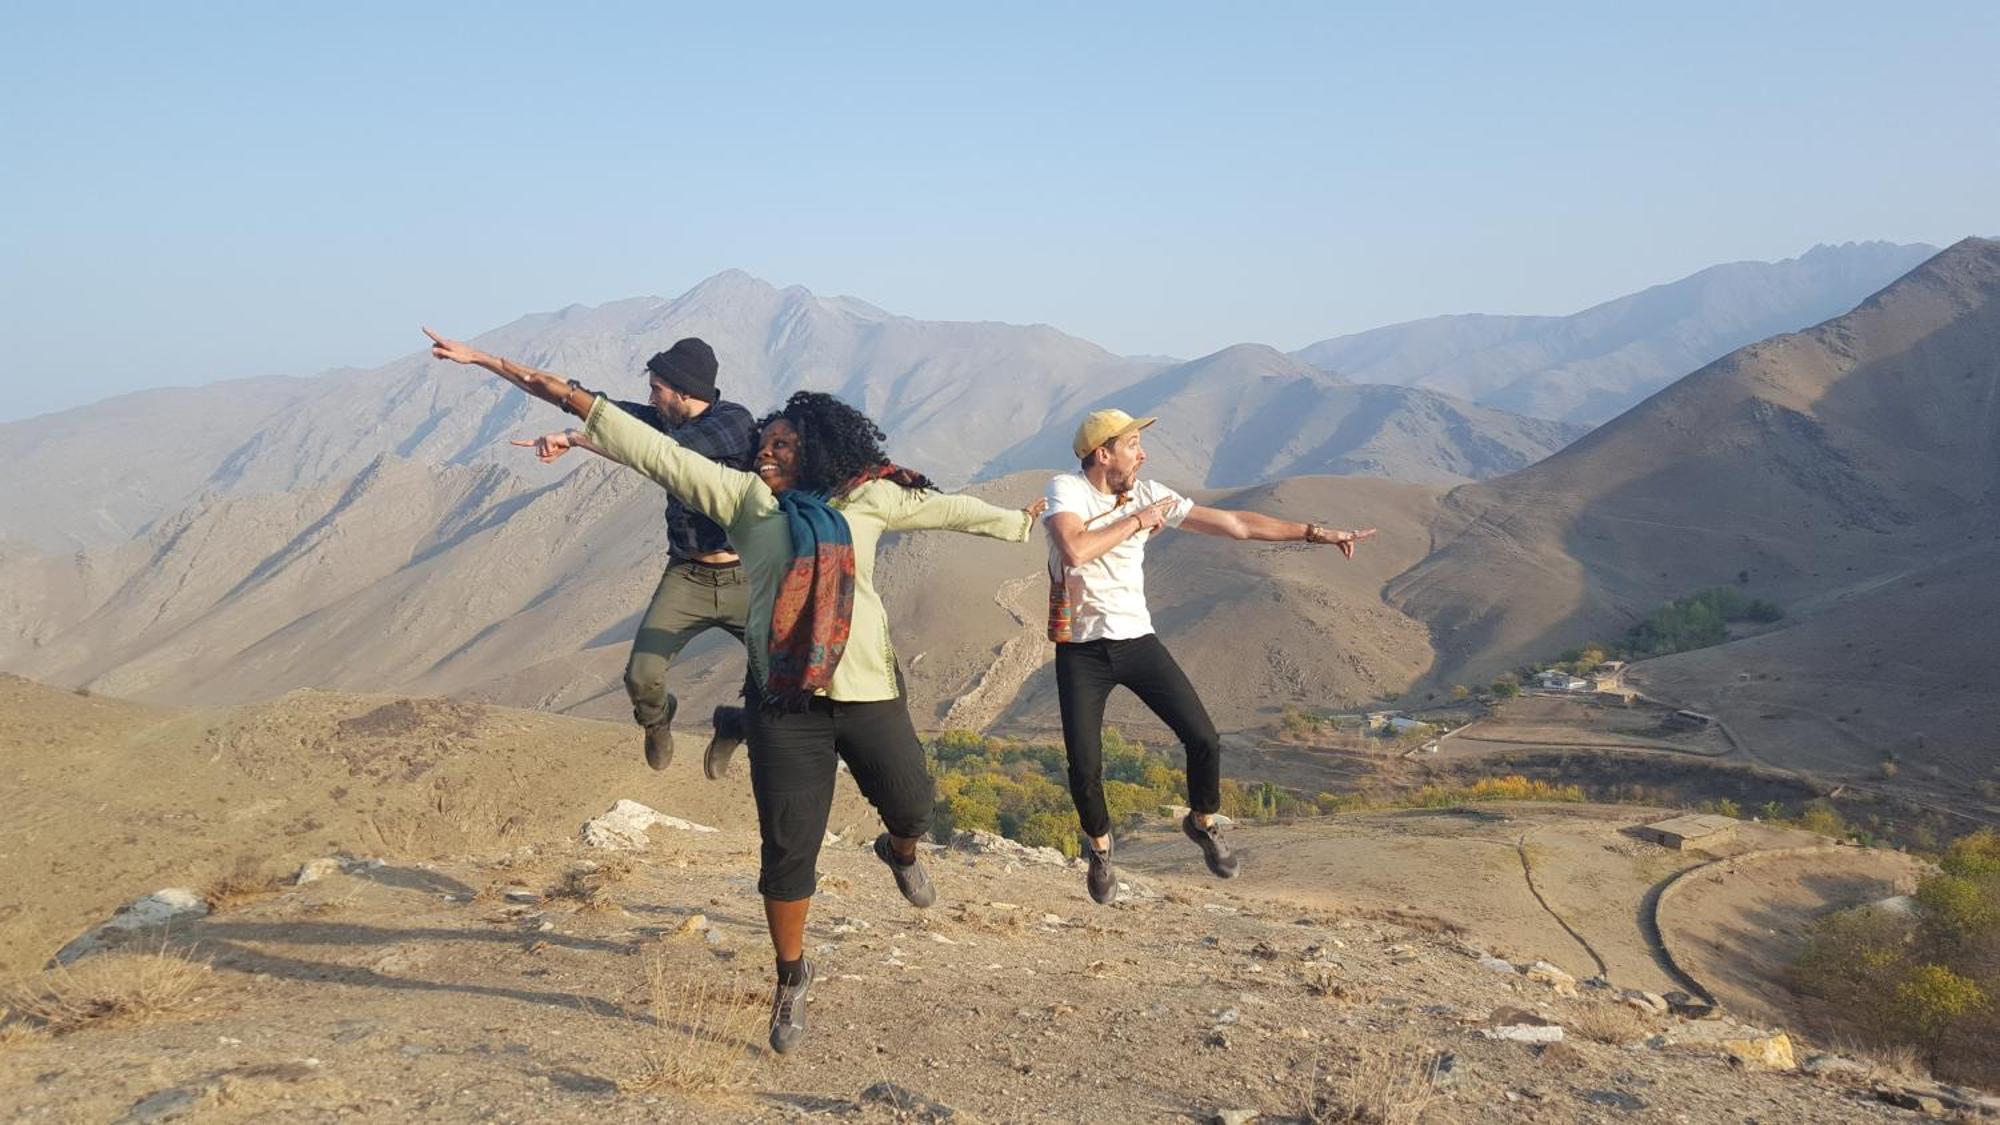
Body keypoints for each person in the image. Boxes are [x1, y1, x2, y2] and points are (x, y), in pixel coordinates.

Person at [425, 326, 1046, 1054]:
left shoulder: (867, 501)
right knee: (788, 850)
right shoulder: (745, 502)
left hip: (870, 690)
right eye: (764, 445)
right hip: (784, 704)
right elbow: (635, 437)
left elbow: (949, 509)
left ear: (813, 451)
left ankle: (900, 851)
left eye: (782, 445)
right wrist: (495, 365)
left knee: (914, 802)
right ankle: (790, 976)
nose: (766, 452)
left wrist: (1021, 523)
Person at [1043, 408, 1375, 905]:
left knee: (1203, 738)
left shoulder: (1151, 494)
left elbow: (1236, 524)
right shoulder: (1066, 491)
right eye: (1134, 444)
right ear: (1103, 452)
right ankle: (1102, 850)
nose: (1143, 453)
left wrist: (1315, 533)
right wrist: (1137, 520)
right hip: (1082, 651)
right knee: (1085, 767)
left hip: (1136, 640)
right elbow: (1073, 549)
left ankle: (1201, 822)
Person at [506, 337, 758, 779]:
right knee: (641, 677)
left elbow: (668, 455)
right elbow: (593, 406)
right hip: (688, 575)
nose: (650, 397)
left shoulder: (733, 422)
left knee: (793, 684)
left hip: (746, 577)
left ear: (683, 391)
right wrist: (482, 360)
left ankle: (738, 725)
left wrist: (584, 438)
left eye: (657, 388)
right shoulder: (663, 421)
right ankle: (658, 720)